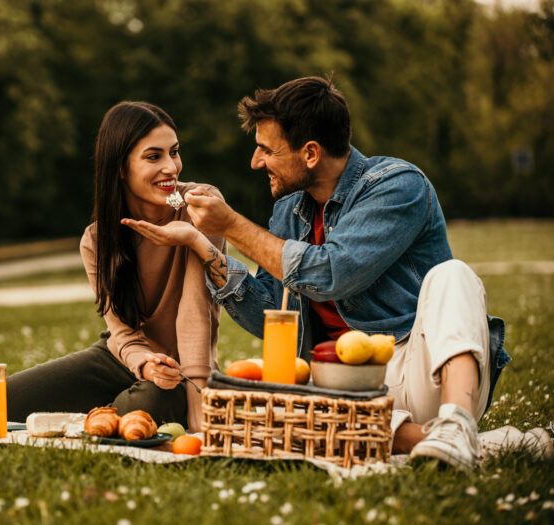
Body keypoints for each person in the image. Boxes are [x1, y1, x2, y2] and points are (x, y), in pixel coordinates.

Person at [123, 77, 516, 469]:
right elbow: (272, 318)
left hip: (416, 370)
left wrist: (231, 225)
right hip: (336, 389)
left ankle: (458, 419)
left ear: (310, 153)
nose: (256, 162)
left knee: (453, 275)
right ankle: (460, 442)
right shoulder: (289, 210)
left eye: (266, 150)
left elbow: (332, 273)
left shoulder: (397, 185)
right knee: (272, 417)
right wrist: (203, 246)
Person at [0, 101, 225, 432]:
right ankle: (103, 414)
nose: (171, 166)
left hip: (180, 373)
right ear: (121, 167)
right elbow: (122, 332)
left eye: (174, 152)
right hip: (120, 359)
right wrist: (144, 363)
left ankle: (104, 415)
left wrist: (198, 402)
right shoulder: (98, 239)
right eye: (154, 156)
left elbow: (197, 309)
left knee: (140, 407)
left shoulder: (199, 206)